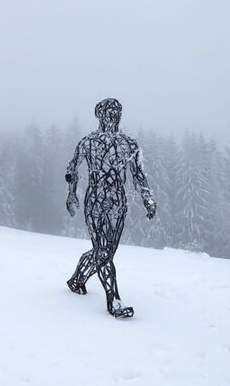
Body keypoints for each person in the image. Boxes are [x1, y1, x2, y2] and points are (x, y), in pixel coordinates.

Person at [64, 98, 156, 318]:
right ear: (99, 115)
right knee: (104, 251)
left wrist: (148, 199)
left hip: (117, 200)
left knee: (105, 251)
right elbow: (72, 168)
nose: (112, 115)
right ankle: (113, 301)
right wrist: (71, 194)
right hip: (95, 198)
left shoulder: (129, 144)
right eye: (108, 111)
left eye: (116, 112)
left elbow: (138, 175)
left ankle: (77, 279)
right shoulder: (87, 142)